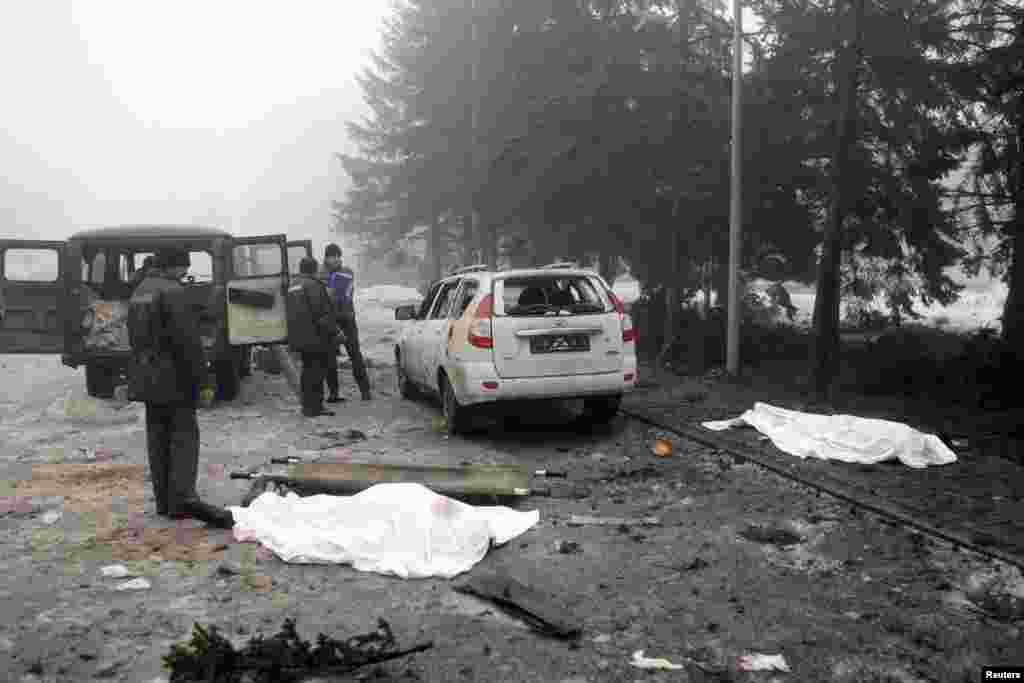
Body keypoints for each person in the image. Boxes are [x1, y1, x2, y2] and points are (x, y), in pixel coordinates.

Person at [126, 248, 233, 528]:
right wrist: (203, 380)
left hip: (147, 378)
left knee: (157, 439)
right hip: (174, 380)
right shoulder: (173, 291)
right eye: (183, 267)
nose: (185, 273)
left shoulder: (141, 289)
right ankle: (184, 499)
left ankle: (165, 502)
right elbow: (188, 343)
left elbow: (134, 336)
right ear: (173, 266)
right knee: (184, 438)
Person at [288, 256, 339, 417]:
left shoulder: (293, 285)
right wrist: (335, 332)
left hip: (299, 337)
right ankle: (316, 407)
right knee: (317, 372)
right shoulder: (314, 285)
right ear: (314, 269)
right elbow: (321, 314)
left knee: (307, 372)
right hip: (315, 337)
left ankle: (307, 406)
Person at [321, 244, 371, 401]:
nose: (335, 259)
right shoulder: (320, 274)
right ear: (326, 258)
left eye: (338, 256)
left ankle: (365, 390)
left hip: (347, 317)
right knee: (329, 357)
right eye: (332, 256)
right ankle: (334, 392)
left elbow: (350, 290)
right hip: (331, 320)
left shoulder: (347, 272)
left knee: (355, 354)